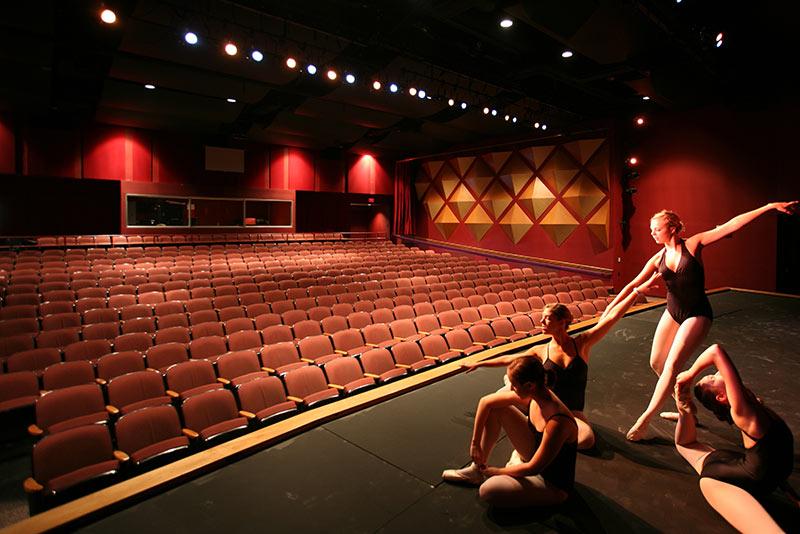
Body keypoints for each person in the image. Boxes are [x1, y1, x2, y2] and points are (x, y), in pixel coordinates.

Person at [606, 201, 799, 441]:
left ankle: (645, 418)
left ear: (673, 228)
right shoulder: (658, 259)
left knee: (672, 366)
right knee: (656, 363)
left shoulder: (694, 244)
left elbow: (731, 226)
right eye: (651, 229)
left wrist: (769, 207)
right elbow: (632, 285)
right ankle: (686, 409)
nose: (652, 232)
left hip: (696, 314)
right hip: (673, 311)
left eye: (657, 228)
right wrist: (607, 312)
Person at [460, 270, 663, 450]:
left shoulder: (582, 343)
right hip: (546, 403)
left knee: (586, 441)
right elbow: (508, 359)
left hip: (571, 411)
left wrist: (637, 292)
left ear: (562, 321)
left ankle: (520, 399)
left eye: (547, 318)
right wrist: (478, 363)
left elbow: (613, 317)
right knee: (498, 397)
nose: (540, 322)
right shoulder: (541, 350)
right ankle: (516, 398)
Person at [673, 344, 795, 532]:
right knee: (701, 471)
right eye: (713, 378)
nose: (717, 372)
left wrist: (787, 490)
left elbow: (775, 453)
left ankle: (684, 410)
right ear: (722, 396)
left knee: (687, 445)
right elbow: (715, 351)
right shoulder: (742, 412)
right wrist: (689, 373)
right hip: (741, 478)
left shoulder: (752, 407)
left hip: (754, 472)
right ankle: (684, 410)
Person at [442, 356, 578, 507]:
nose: (511, 388)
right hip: (534, 454)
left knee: (488, 490)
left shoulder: (557, 422)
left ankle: (516, 472)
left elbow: (534, 468)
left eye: (514, 385)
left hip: (551, 481)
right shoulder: (536, 394)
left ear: (529, 385)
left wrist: (495, 471)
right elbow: (486, 402)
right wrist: (475, 443)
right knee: (497, 409)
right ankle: (476, 471)